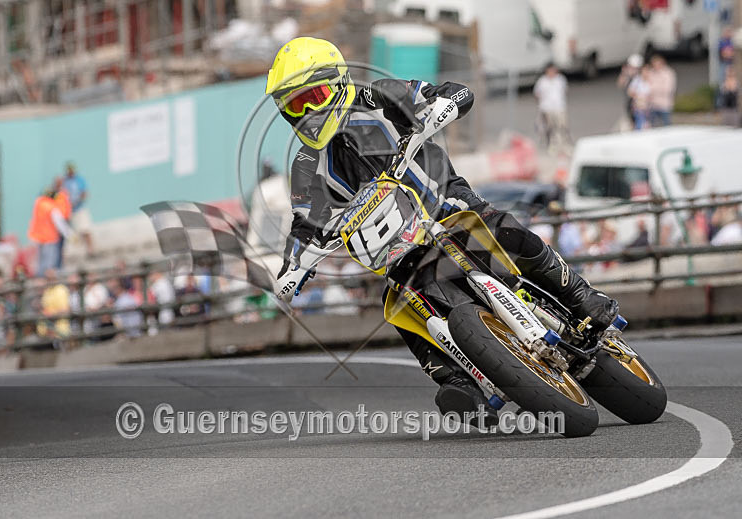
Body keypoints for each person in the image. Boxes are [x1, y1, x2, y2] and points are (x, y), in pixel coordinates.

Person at [266, 37, 620, 422]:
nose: (304, 113)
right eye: (293, 105)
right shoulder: (305, 163)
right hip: (393, 244)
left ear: (336, 82)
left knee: (496, 225)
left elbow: (444, 93)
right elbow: (305, 223)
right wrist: (293, 266)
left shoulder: (378, 96)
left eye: (310, 98)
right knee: (398, 302)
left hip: (442, 198)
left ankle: (580, 294)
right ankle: (459, 380)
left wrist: (446, 103)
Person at [28, 188, 73, 276]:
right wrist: (69, 235)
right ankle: (47, 281)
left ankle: (40, 279)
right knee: (50, 263)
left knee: (41, 262)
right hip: (50, 238)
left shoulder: (39, 204)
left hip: (39, 238)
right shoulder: (51, 207)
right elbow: (60, 223)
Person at [533, 63, 570, 151]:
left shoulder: (560, 79)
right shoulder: (542, 81)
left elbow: (565, 90)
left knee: (562, 125)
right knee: (549, 127)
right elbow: (537, 94)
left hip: (559, 107)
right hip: (547, 108)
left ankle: (563, 143)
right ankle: (550, 143)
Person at [62, 162, 94, 256]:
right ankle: (79, 252)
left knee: (86, 229)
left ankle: (90, 250)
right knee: (75, 233)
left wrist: (78, 200)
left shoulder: (79, 179)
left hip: (80, 208)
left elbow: (85, 193)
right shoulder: (65, 182)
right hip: (71, 211)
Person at [647, 55, 676, 127]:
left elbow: (668, 89)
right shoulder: (651, 72)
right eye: (654, 64)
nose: (656, 66)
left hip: (664, 105)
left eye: (657, 64)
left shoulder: (668, 73)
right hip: (652, 104)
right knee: (652, 126)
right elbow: (646, 87)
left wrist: (653, 89)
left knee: (666, 125)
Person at [617, 54, 644, 129]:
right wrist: (624, 73)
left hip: (640, 103)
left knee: (640, 120)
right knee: (630, 119)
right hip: (629, 102)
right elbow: (620, 84)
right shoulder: (627, 75)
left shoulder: (642, 76)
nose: (633, 69)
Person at [628, 65, 652, 130]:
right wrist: (639, 97)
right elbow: (630, 92)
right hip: (638, 106)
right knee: (640, 122)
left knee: (648, 123)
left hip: (649, 106)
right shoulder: (637, 80)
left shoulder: (652, 80)